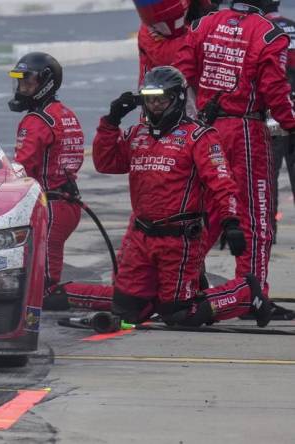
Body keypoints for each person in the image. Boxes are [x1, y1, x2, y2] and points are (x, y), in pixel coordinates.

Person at [93, 66, 273, 327]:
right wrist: (110, 122)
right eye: (149, 99)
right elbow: (106, 163)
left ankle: (245, 292)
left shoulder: (198, 136)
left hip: (179, 239)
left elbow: (222, 182)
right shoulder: (136, 134)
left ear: (176, 100)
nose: (154, 106)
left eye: (161, 99)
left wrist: (230, 222)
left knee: (177, 315)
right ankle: (175, 294)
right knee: (127, 311)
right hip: (141, 237)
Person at [174, 0, 295, 296]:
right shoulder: (269, 33)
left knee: (210, 211)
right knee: (255, 216)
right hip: (245, 130)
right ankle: (250, 292)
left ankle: (179, 283)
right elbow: (274, 91)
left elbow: (181, 75)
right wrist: (291, 123)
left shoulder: (204, 24)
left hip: (205, 130)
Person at [8, 52, 101, 310]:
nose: (22, 88)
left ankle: (110, 298)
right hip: (66, 202)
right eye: (20, 82)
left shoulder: (36, 121)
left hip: (49, 206)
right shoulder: (66, 114)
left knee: (45, 292)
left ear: (46, 82)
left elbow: (22, 169)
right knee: (43, 284)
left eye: (28, 82)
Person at [266, 0, 295, 243]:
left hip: (271, 116)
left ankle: (268, 231)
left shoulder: (261, 31)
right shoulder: (293, 26)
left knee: (267, 177)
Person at [136, 0, 219, 86]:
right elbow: (166, 56)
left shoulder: (199, 9)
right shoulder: (147, 30)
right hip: (159, 89)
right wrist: (205, 31)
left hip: (197, 83)